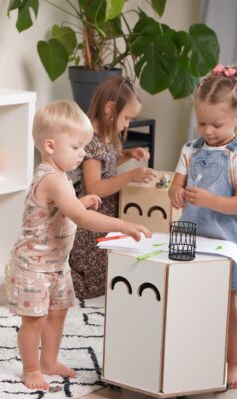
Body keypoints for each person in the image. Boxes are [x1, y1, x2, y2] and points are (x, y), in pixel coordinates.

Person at [7, 100, 152, 391]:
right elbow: (81, 218)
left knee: (58, 312)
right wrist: (121, 225)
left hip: (56, 265)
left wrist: (79, 202)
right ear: (50, 146)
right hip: (34, 267)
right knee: (34, 320)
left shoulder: (59, 176)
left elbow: (65, 208)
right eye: (76, 148)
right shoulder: (52, 179)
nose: (83, 154)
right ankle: (32, 369)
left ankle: (49, 361)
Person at [169, 64, 237, 389]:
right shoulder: (190, 149)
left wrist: (207, 200)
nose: (207, 130)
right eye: (202, 122)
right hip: (189, 240)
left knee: (225, 303)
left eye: (216, 124)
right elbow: (174, 186)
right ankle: (192, 352)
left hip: (223, 242)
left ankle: (234, 362)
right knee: (188, 298)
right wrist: (177, 193)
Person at [69, 76, 157, 300]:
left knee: (113, 275)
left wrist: (127, 155)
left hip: (106, 216)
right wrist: (130, 175)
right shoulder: (92, 141)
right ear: (110, 108)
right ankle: (64, 282)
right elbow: (95, 187)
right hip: (93, 221)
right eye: (127, 117)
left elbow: (104, 167)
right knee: (98, 285)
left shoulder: (105, 138)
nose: (128, 124)